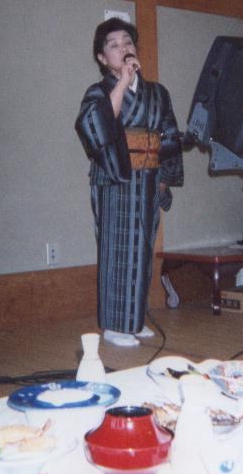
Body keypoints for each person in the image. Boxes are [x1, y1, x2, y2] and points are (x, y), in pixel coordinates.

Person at [75, 18, 184, 347]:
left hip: (149, 178)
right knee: (118, 249)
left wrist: (164, 179)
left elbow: (169, 136)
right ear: (102, 58)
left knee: (143, 250)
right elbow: (95, 127)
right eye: (113, 45)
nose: (123, 48)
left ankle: (133, 320)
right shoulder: (98, 92)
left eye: (127, 42)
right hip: (116, 179)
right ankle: (113, 325)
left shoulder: (158, 93)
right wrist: (122, 82)